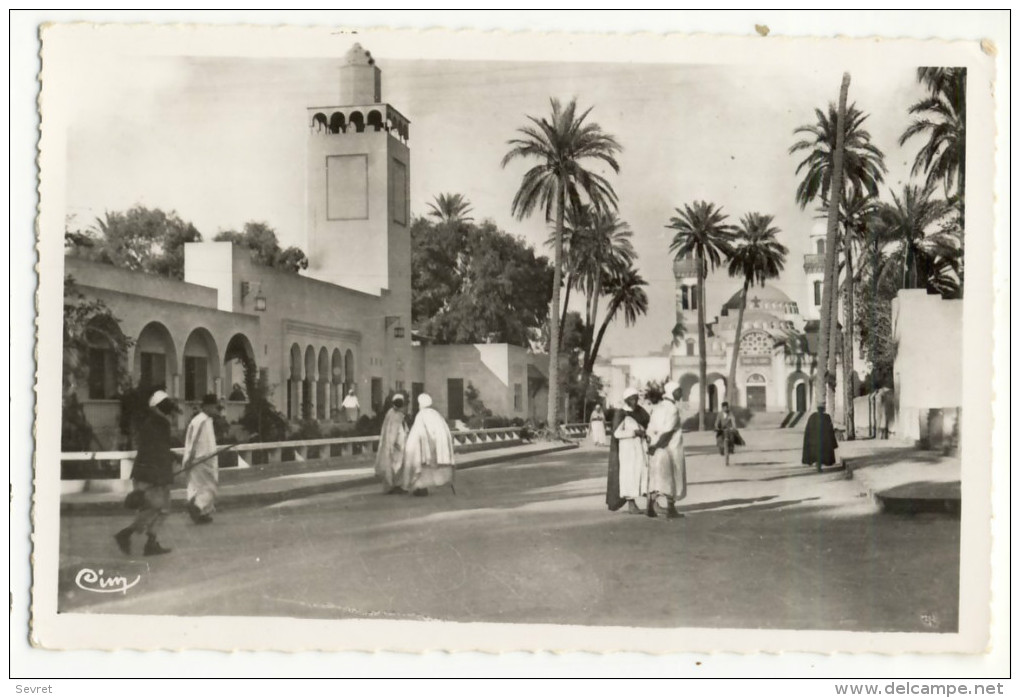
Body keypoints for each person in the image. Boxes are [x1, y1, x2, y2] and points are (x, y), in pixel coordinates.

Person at [114, 390, 178, 556]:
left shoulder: (154, 422)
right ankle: (126, 534)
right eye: (166, 407)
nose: (169, 411)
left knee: (162, 508)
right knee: (155, 507)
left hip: (150, 474)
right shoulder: (159, 423)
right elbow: (155, 451)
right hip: (152, 476)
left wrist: (172, 456)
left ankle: (151, 543)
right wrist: (161, 476)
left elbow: (158, 449)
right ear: (157, 408)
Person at [645, 381, 686, 519]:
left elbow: (650, 428)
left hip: (656, 446)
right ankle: (671, 508)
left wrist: (652, 445)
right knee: (672, 475)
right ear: (672, 392)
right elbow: (668, 432)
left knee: (657, 476)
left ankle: (651, 505)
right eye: (679, 391)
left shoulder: (658, 407)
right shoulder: (672, 409)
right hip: (670, 447)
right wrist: (657, 445)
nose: (681, 393)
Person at [402, 393, 456, 496]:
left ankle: (421, 487)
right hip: (436, 446)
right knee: (431, 467)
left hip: (425, 445)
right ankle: (427, 486)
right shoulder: (436, 414)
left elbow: (416, 433)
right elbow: (444, 431)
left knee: (423, 467)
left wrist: (411, 447)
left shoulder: (421, 415)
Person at [610, 387, 649, 515]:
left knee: (644, 473)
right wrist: (634, 432)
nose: (635, 401)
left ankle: (652, 502)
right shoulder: (621, 413)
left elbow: (647, 425)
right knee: (629, 476)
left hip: (641, 448)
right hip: (628, 451)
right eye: (632, 399)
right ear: (626, 400)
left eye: (636, 398)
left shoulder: (641, 412)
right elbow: (616, 433)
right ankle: (631, 504)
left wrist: (645, 434)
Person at [184, 393, 220, 524]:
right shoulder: (200, 420)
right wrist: (190, 458)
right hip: (200, 459)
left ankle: (202, 513)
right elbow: (194, 441)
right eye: (214, 407)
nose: (215, 410)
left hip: (206, 459)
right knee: (210, 487)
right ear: (207, 407)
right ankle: (197, 507)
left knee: (201, 487)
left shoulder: (206, 420)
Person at [375, 393, 409, 494]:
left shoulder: (395, 414)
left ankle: (395, 484)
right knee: (396, 464)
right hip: (396, 444)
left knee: (397, 464)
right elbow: (392, 431)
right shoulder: (393, 414)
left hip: (397, 442)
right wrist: (395, 443)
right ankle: (395, 485)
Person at [802, 404, 839, 471]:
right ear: (823, 409)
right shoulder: (826, 417)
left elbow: (808, 429)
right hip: (823, 440)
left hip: (815, 440)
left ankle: (818, 464)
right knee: (821, 452)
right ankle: (819, 465)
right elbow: (830, 430)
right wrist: (833, 442)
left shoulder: (812, 416)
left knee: (817, 453)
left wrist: (808, 439)